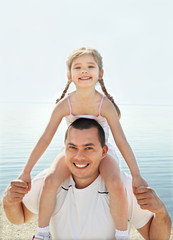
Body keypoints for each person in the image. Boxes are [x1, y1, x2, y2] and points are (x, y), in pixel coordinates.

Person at [17, 47, 148, 240]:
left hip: (101, 152)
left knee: (115, 182)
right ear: (69, 75)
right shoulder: (64, 105)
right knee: (51, 179)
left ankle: (122, 235)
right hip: (73, 150)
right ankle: (42, 233)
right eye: (78, 67)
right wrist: (26, 171)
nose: (84, 70)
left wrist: (136, 176)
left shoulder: (105, 105)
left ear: (100, 73)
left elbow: (121, 140)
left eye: (90, 66)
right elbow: (45, 139)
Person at [3, 118, 171, 240]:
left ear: (104, 152)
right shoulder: (48, 183)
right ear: (64, 150)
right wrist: (9, 201)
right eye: (72, 147)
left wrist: (161, 212)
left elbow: (155, 237)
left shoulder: (123, 187)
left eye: (88, 148)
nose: (79, 156)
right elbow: (20, 218)